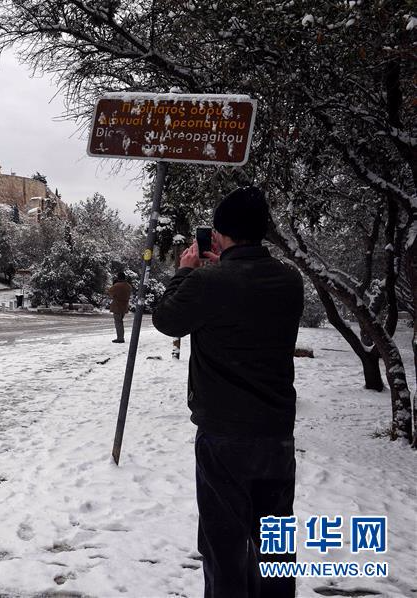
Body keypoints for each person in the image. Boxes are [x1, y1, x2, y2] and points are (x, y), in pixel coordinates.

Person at [151, 187, 304, 598]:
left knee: (224, 544)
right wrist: (220, 270)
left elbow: (166, 320)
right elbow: (246, 295)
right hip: (276, 434)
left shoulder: (206, 281)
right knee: (275, 545)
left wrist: (186, 271)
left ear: (219, 234)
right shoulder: (290, 280)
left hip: (224, 436)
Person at [106, 271, 133, 343]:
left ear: (118, 277)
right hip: (124, 306)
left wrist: (114, 284)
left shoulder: (117, 285)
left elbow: (110, 292)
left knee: (118, 323)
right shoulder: (128, 286)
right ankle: (121, 337)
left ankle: (120, 338)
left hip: (117, 306)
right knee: (120, 322)